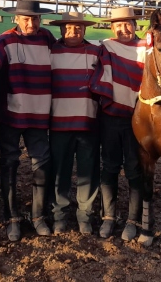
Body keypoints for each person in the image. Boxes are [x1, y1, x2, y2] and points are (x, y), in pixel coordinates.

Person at [0, 0, 55, 241]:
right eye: (26, 18)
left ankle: (38, 216)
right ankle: (11, 217)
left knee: (42, 164)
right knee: (9, 163)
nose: (31, 23)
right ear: (16, 18)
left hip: (39, 115)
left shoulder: (47, 39)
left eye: (35, 18)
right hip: (10, 115)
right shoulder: (4, 41)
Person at [89, 7, 146, 241]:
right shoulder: (106, 47)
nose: (124, 29)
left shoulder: (148, 49)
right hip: (111, 116)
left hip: (139, 118)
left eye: (128, 24)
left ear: (135, 25)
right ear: (112, 28)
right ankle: (108, 217)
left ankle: (133, 220)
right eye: (118, 25)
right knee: (110, 166)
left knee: (134, 169)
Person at [48, 12, 100, 235]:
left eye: (78, 28)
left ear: (84, 30)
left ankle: (84, 215)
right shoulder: (51, 52)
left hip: (88, 124)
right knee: (60, 171)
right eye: (69, 28)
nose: (73, 32)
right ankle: (59, 215)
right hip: (59, 123)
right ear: (61, 30)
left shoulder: (97, 53)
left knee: (88, 171)